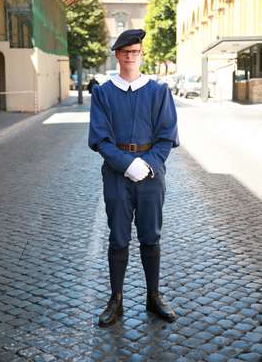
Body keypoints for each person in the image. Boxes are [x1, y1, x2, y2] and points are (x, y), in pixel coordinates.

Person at [88, 29, 179, 327]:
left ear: (141, 54)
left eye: (135, 51)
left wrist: (149, 164)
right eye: (125, 52)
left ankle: (153, 296)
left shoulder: (158, 91)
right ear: (116, 54)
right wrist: (127, 165)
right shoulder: (103, 93)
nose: (130, 56)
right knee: (118, 237)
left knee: (151, 236)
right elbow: (100, 139)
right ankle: (116, 299)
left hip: (152, 175)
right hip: (116, 175)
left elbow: (167, 136)